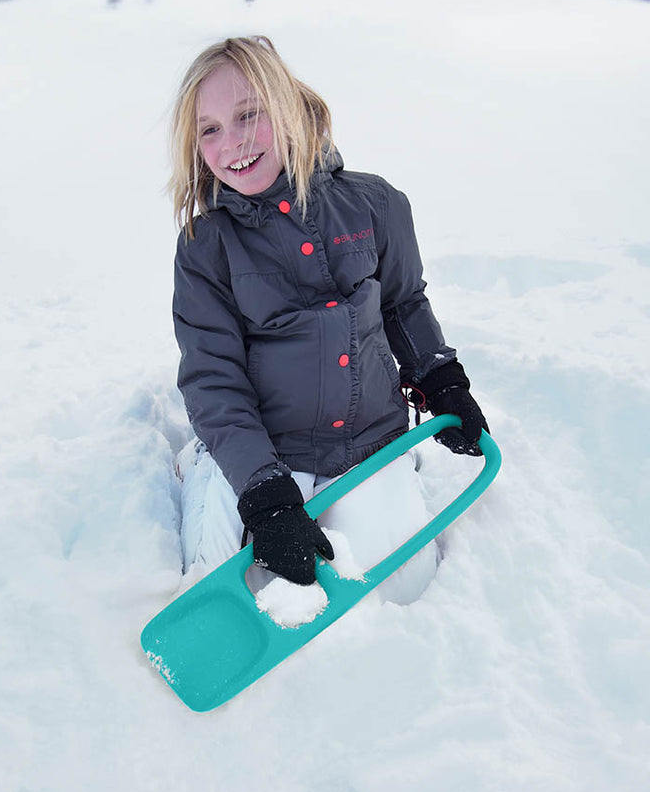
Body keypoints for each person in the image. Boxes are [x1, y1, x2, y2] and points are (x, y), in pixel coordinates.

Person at [168, 36, 488, 601]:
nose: (232, 142)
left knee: (403, 591)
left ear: (286, 105)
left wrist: (442, 382)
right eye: (209, 129)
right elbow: (214, 378)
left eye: (248, 114)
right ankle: (206, 469)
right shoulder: (206, 248)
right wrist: (264, 491)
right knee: (226, 594)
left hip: (365, 445)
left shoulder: (376, 205)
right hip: (266, 454)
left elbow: (403, 304)